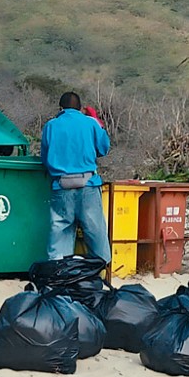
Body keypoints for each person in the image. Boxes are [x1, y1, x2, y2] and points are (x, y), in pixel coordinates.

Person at [40, 91, 112, 264]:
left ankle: (59, 274)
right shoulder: (89, 123)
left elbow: (44, 157)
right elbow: (104, 148)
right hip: (88, 184)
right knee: (96, 233)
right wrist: (97, 124)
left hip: (61, 186)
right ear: (80, 108)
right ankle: (99, 271)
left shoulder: (51, 125)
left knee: (59, 233)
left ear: (61, 108)